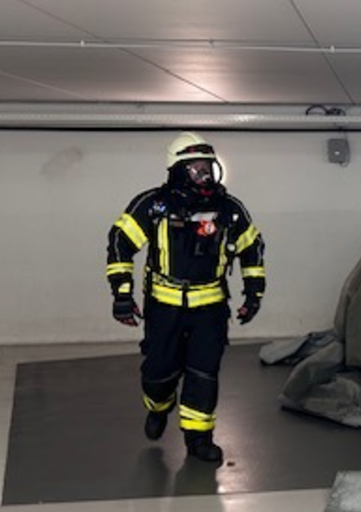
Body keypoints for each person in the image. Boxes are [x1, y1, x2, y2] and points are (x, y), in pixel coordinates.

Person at [105, 131, 265, 464]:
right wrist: (122, 293)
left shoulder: (229, 209)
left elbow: (252, 249)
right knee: (158, 372)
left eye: (207, 166)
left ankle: (198, 440)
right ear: (177, 170)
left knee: (203, 373)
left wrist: (254, 293)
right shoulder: (153, 205)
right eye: (195, 167)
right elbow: (120, 242)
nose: (204, 174)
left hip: (210, 308)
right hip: (163, 307)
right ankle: (158, 406)